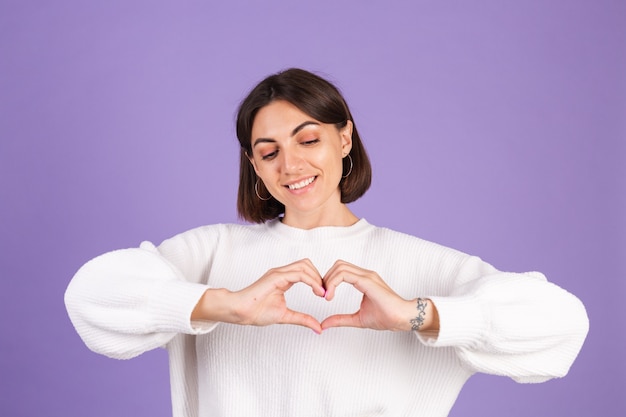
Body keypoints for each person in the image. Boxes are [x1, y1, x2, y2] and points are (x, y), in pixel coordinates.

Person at [65, 68, 589, 417]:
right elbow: (89, 296)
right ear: (254, 166)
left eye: (308, 139)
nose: (290, 165)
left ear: (345, 138)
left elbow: (563, 327)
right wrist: (225, 305)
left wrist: (417, 315)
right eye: (268, 152)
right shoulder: (209, 254)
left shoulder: (422, 265)